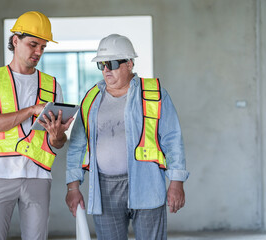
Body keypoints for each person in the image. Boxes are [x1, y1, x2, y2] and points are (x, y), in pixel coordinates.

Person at [65, 33, 189, 240]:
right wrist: (73, 186)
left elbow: (172, 139)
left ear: (129, 63)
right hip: (104, 188)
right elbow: (78, 145)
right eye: (101, 65)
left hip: (146, 182)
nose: (106, 70)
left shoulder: (153, 93)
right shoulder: (91, 98)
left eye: (111, 64)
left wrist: (176, 182)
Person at [0, 11, 73, 240]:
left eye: (43, 47)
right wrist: (30, 110)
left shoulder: (52, 84)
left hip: (38, 175)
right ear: (15, 40)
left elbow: (57, 143)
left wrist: (58, 135)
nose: (38, 52)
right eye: (33, 44)